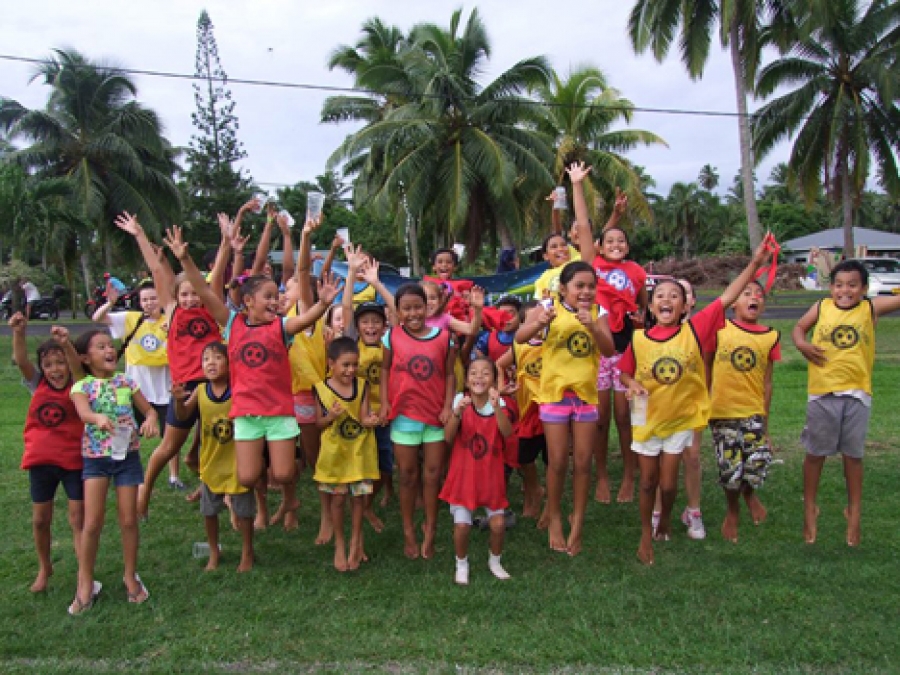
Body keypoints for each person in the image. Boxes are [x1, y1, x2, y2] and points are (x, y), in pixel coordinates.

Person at [620, 240, 770, 565]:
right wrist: (632, 386)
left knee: (669, 484)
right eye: (660, 295)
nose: (667, 300)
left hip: (679, 418)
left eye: (674, 296)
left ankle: (668, 517)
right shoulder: (639, 338)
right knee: (648, 481)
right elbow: (624, 373)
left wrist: (756, 262)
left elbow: (729, 296)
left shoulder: (695, 329)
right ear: (650, 305)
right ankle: (647, 532)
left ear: (684, 305)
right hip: (647, 419)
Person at [163, 225, 339, 496]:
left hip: (279, 411)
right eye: (268, 297)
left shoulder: (281, 327)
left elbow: (306, 318)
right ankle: (246, 490)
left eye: (276, 296)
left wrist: (323, 304)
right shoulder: (233, 324)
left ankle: (287, 492)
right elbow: (206, 291)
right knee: (246, 477)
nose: (275, 301)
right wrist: (184, 258)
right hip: (246, 412)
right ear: (247, 301)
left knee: (282, 474)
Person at [114, 212, 227, 520]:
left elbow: (215, 276)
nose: (191, 299)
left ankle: (215, 491)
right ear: (176, 296)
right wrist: (138, 233)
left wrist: (226, 240)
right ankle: (144, 493)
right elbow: (155, 268)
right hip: (185, 388)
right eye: (184, 294)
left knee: (216, 442)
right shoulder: (173, 312)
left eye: (195, 293)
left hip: (214, 385)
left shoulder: (212, 312)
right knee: (167, 447)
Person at [792, 259, 900, 547]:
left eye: (853, 285)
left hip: (857, 395)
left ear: (864, 289)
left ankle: (854, 512)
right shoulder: (821, 307)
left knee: (853, 457)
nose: (845, 291)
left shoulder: (870, 308)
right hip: (822, 394)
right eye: (839, 285)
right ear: (830, 287)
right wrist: (802, 345)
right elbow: (798, 329)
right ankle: (810, 507)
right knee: (815, 454)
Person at [516, 261, 615, 556]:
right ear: (563, 288)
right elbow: (520, 338)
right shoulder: (548, 306)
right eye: (579, 286)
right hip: (554, 396)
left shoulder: (599, 312)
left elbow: (609, 350)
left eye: (590, 286)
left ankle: (578, 522)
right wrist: (539, 323)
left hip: (585, 396)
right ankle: (555, 516)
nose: (585, 292)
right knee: (558, 461)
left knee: (583, 462)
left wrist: (593, 327)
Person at [68, 329, 160, 614]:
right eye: (100, 347)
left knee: (129, 520)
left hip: (127, 458)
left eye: (110, 346)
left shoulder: (126, 381)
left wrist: (150, 421)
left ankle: (131, 577)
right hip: (96, 459)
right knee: (92, 523)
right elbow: (84, 413)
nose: (109, 350)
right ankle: (85, 583)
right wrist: (97, 417)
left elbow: (150, 411)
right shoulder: (82, 386)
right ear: (85, 357)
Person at [569, 164, 645, 505]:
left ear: (627, 247)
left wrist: (644, 322)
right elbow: (584, 226)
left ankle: (629, 475)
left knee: (624, 417)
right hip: (598, 350)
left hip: (626, 350)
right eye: (609, 240)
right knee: (599, 419)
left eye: (621, 240)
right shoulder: (593, 266)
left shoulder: (636, 271)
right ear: (600, 247)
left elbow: (645, 310)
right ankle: (601, 476)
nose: (615, 243)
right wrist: (577, 185)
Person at [381, 283, 457, 560]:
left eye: (418, 307)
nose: (413, 313)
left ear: (427, 307)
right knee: (408, 475)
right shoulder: (392, 337)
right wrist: (386, 401)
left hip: (435, 416)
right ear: (398, 311)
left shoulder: (444, 338)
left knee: (433, 474)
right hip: (404, 417)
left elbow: (450, 375)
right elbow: (384, 370)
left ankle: (431, 528)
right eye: (406, 308)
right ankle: (408, 531)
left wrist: (448, 405)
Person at [11, 314, 84, 593]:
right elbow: (21, 361)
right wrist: (19, 332)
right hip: (41, 463)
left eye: (60, 362)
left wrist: (66, 345)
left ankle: (83, 570)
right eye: (49, 365)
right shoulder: (36, 384)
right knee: (40, 519)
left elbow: (77, 368)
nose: (55, 369)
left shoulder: (78, 384)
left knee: (78, 519)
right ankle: (45, 567)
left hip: (73, 462)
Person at [172, 342, 255, 572]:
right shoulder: (200, 391)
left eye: (218, 358)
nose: (211, 363)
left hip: (238, 460)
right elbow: (183, 414)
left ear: (229, 364)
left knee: (244, 511)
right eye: (206, 359)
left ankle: (247, 550)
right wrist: (179, 399)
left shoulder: (238, 388)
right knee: (209, 511)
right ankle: (214, 551)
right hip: (211, 461)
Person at [708, 280, 780, 542]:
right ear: (734, 302)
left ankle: (749, 493)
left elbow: (768, 381)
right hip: (722, 412)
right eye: (746, 293)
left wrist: (765, 421)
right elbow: (706, 365)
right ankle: (733, 510)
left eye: (759, 295)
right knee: (730, 469)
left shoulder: (771, 336)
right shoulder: (720, 329)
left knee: (758, 461)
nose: (754, 298)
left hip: (752, 412)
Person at [92, 281, 180, 488]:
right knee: (125, 430)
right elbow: (97, 318)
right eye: (145, 299)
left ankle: (174, 476)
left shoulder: (171, 320)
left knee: (170, 436)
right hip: (135, 389)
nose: (149, 303)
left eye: (153, 298)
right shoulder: (130, 319)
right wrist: (110, 303)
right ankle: (120, 469)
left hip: (165, 389)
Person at [440, 358, 515, 585]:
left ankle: (495, 561)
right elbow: (448, 437)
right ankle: (461, 563)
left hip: (490, 475)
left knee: (498, 524)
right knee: (462, 526)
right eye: (473, 373)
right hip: (465, 475)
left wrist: (497, 408)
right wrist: (457, 413)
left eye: (485, 373)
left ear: (494, 379)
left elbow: (507, 432)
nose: (479, 377)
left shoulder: (500, 403)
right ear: (467, 378)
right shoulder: (460, 401)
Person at [314, 337, 381, 571]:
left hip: (359, 453)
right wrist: (330, 416)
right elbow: (318, 424)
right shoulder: (321, 389)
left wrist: (371, 420)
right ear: (331, 363)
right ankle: (340, 543)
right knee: (338, 499)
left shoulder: (362, 385)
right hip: (335, 456)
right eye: (345, 365)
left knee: (358, 498)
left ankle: (356, 540)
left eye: (354, 365)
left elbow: (364, 416)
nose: (351, 370)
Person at [341, 246, 396, 520]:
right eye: (366, 322)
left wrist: (377, 283)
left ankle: (385, 492)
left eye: (376, 322)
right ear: (358, 326)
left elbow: (396, 311)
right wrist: (351, 273)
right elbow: (347, 308)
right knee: (364, 461)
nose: (371, 327)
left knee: (385, 460)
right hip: (361, 415)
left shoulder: (388, 342)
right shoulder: (353, 345)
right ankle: (366, 507)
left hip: (385, 413)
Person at [497, 300, 545, 519]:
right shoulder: (519, 346)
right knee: (524, 457)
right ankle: (533, 490)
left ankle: (548, 502)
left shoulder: (552, 344)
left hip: (550, 409)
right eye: (532, 320)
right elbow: (499, 364)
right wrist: (501, 388)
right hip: (526, 410)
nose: (538, 324)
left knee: (552, 458)